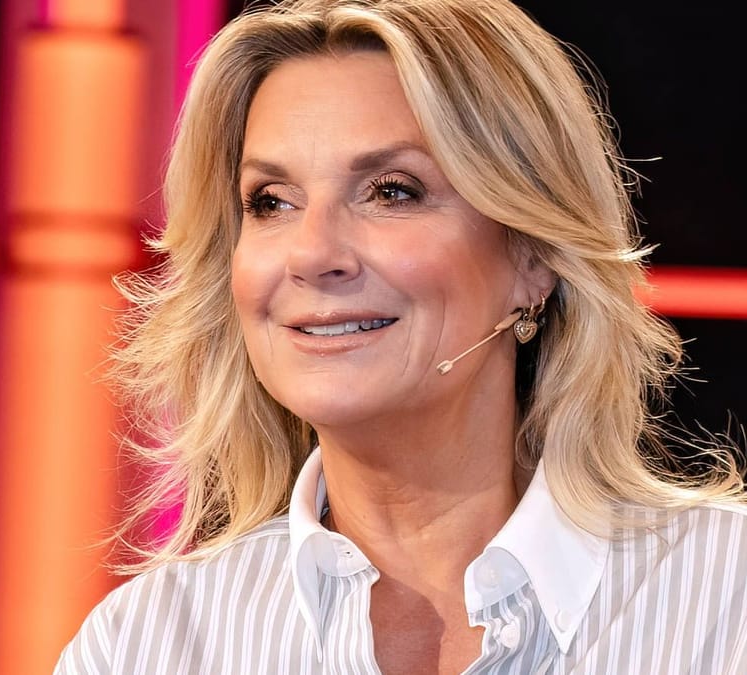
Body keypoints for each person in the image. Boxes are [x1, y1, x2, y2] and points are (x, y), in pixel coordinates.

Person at [54, 0, 747, 672]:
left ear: (532, 257)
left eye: (391, 191)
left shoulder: (726, 598)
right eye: (271, 202)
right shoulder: (143, 646)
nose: (311, 253)